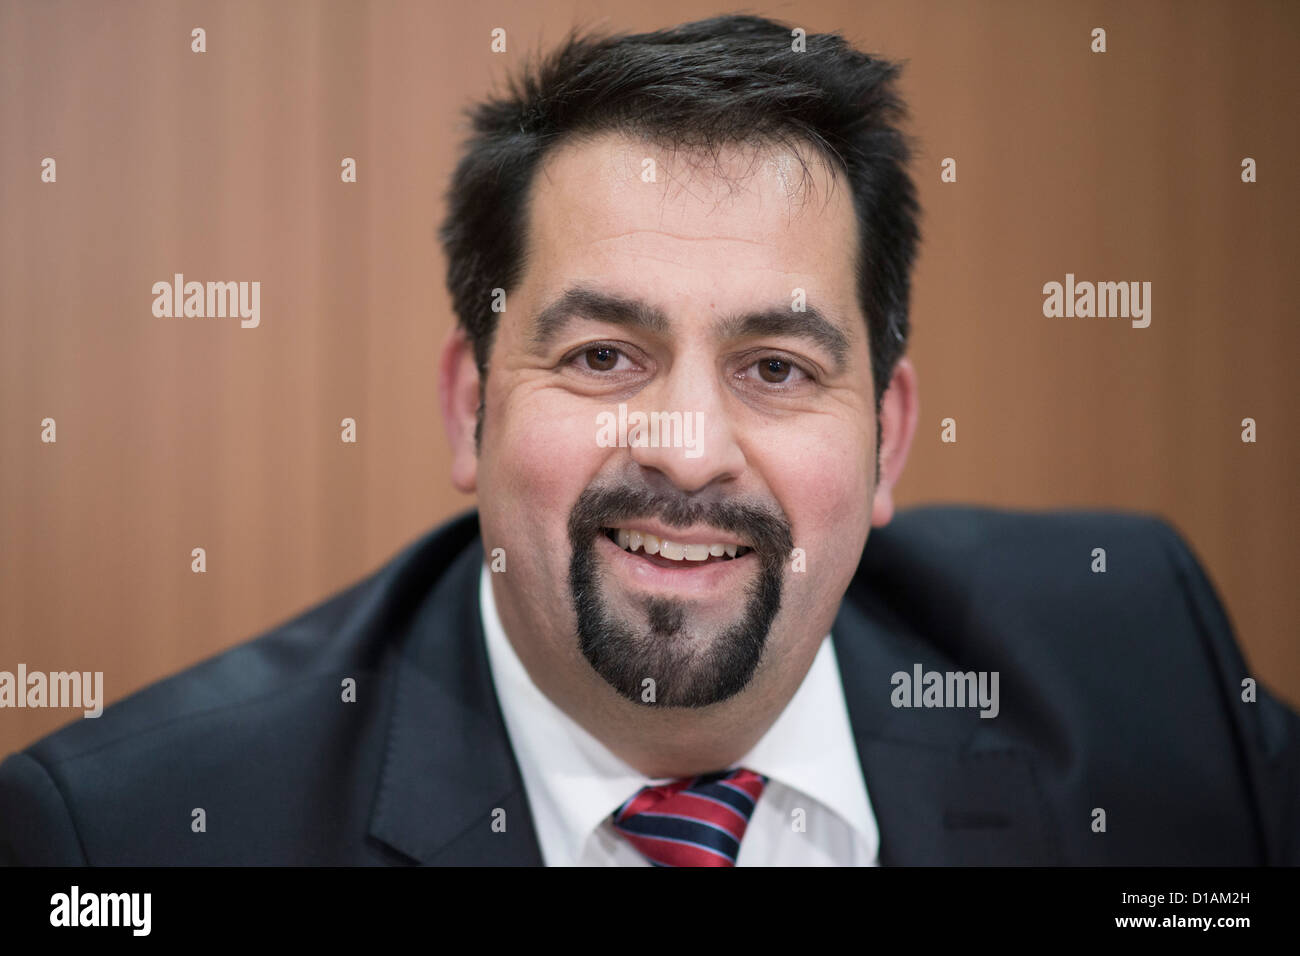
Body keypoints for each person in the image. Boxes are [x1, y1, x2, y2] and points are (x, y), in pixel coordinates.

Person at [2, 13, 1296, 867]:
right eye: (604, 357)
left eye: (776, 367)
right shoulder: (135, 838)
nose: (687, 451)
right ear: (473, 408)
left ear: (890, 441)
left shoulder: (1142, 667)